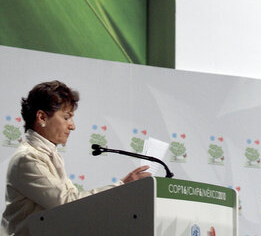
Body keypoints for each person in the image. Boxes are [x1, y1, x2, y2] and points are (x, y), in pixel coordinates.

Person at [0, 80, 151, 236]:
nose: (72, 126)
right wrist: (120, 187)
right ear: (42, 117)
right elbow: (67, 203)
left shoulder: (49, 155)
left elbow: (76, 203)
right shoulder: (28, 158)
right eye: (66, 117)